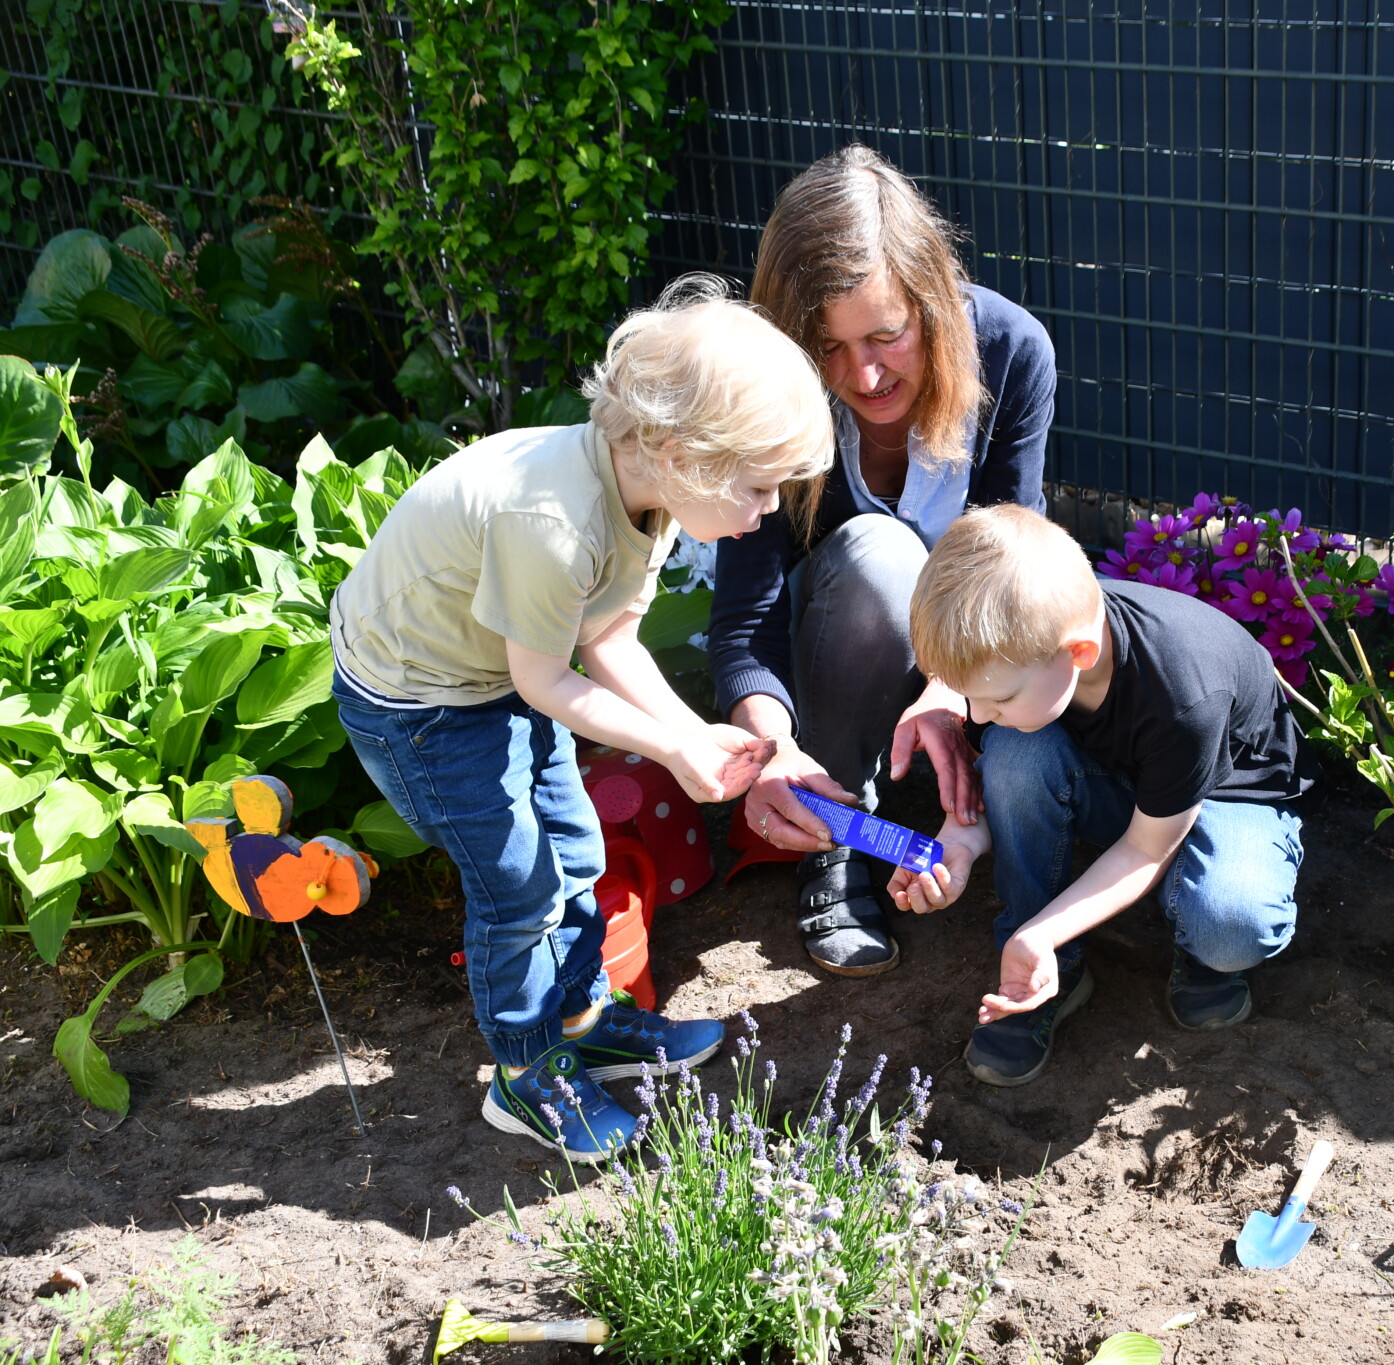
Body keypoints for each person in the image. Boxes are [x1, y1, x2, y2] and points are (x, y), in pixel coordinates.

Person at [329, 278, 834, 1160]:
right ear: (682, 451)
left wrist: (691, 731)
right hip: (418, 701)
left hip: (485, 676)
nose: (765, 513)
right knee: (516, 884)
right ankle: (525, 1075)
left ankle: (585, 1021)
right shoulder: (554, 520)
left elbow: (609, 638)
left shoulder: (649, 497)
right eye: (758, 489)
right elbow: (544, 685)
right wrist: (675, 748)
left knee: (578, 851)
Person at [709, 145, 1056, 977]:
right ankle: (835, 833)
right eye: (825, 348)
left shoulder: (1011, 353)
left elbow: (1015, 568)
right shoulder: (767, 391)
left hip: (957, 665)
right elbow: (745, 621)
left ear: (931, 303)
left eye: (886, 336)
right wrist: (769, 751)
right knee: (878, 554)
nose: (860, 374)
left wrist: (949, 690)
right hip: (820, 655)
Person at [893, 505, 1314, 1086]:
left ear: (1079, 656)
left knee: (1229, 926)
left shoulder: (1182, 691)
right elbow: (1003, 766)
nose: (978, 716)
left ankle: (1183, 928)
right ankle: (1044, 971)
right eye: (969, 698)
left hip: (1228, 791)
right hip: (1128, 782)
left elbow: (1146, 847)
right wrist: (958, 846)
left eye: (997, 701)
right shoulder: (1014, 662)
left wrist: (1045, 927)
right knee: (1016, 755)